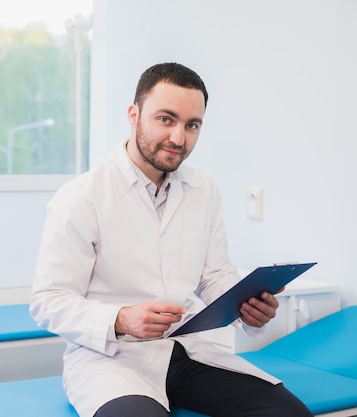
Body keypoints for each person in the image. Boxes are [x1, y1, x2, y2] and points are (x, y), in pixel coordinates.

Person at [29, 62, 312, 417]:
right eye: (166, 119)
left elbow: (214, 276)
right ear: (134, 115)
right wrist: (121, 319)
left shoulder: (204, 190)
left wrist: (247, 309)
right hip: (112, 361)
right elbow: (48, 300)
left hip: (188, 352)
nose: (179, 138)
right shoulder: (81, 197)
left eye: (191, 125)